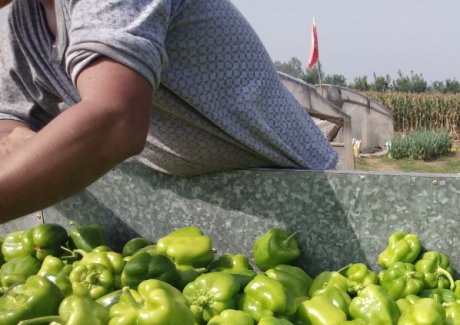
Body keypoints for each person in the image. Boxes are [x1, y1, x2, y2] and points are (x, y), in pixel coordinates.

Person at [0, 0, 338, 223]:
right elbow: (10, 120)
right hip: (193, 210)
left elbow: (114, 120)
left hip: (301, 199)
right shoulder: (19, 22)